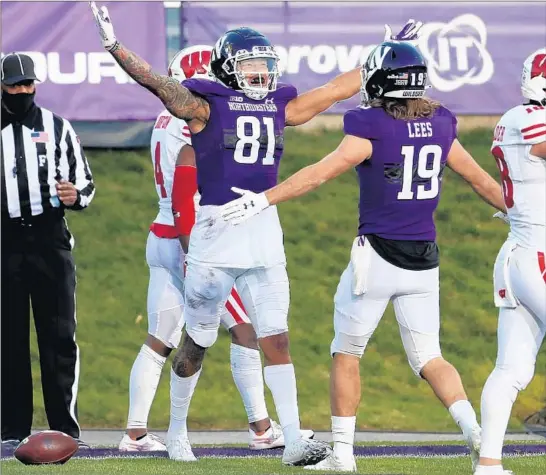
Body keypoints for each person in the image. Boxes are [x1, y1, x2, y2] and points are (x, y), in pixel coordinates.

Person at [89, 1, 421, 465]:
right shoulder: (203, 105)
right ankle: (178, 430)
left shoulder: (277, 105)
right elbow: (157, 83)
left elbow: (329, 93)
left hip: (264, 227)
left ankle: (291, 439)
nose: (261, 74)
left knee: (276, 336)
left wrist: (382, 53)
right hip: (217, 230)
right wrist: (115, 46)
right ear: (227, 67)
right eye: (251, 65)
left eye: (266, 66)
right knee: (197, 341)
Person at [220, 41, 507, 472]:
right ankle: (478, 437)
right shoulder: (442, 123)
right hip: (425, 260)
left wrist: (264, 199)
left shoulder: (370, 125)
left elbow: (318, 174)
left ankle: (343, 455)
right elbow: (481, 181)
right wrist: (518, 214)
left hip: (376, 257)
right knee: (431, 356)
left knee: (346, 354)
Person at [118, 44, 313, 452]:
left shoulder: (166, 120)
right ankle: (261, 428)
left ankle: (136, 431)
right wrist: (194, 252)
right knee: (242, 331)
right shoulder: (194, 120)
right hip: (197, 236)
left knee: (162, 337)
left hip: (163, 234)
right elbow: (185, 193)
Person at [1, 53, 95, 449]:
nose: (23, 91)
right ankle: (10, 430)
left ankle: (64, 429)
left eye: (27, 84)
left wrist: (75, 195)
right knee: (8, 340)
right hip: (4, 243)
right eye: (14, 85)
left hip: (49, 239)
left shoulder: (58, 127)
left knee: (59, 337)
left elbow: (86, 184)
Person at [475, 48, 546, 475]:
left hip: (521, 255)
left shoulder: (513, 118)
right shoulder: (526, 119)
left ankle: (489, 464)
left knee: (512, 370)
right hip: (536, 255)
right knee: (509, 370)